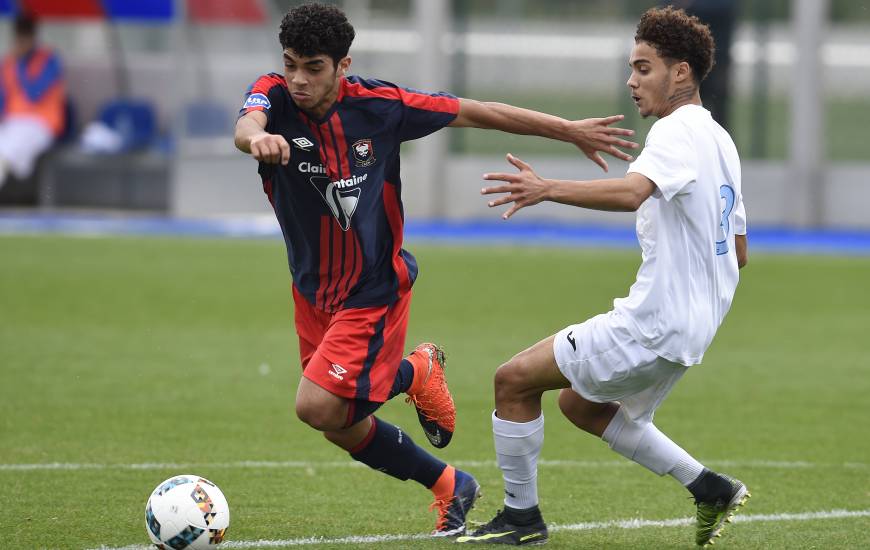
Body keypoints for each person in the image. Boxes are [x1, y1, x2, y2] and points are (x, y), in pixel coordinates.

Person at [233, 2, 637, 537]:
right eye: (291, 64)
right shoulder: (274, 95)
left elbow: (480, 111)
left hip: (372, 287)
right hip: (311, 290)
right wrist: (255, 139)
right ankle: (450, 483)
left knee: (316, 405)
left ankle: (414, 371)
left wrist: (569, 130)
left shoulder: (382, 106)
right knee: (341, 426)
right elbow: (247, 123)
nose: (298, 79)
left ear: (342, 65)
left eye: (313, 67)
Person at [458, 6, 748, 547]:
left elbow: (632, 191)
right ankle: (709, 487)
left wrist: (547, 188)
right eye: (631, 69)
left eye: (643, 68)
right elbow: (739, 250)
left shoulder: (675, 131)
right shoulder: (721, 141)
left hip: (654, 324)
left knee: (512, 381)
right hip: (692, 330)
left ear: (680, 72)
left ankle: (522, 521)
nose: (631, 82)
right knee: (579, 403)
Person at [0, 13, 65, 189]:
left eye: (25, 36)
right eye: (19, 36)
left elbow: (33, 94)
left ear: (33, 37)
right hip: (12, 123)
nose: (21, 41)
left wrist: (20, 63)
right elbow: (3, 98)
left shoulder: (50, 60)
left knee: (7, 152)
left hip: (41, 123)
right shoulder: (8, 62)